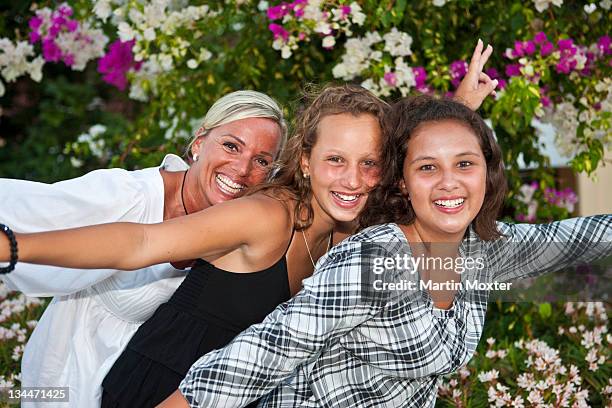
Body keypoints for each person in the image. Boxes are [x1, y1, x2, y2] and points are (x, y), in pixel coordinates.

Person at [0, 42, 497, 408]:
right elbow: (140, 241)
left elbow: (427, 175)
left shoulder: (350, 221)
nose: (353, 178)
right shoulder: (267, 216)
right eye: (335, 160)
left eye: (369, 163)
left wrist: (457, 109)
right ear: (305, 161)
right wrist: (13, 247)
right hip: (158, 390)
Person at [158, 96, 611, 408]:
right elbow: (263, 353)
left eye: (465, 165)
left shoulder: (482, 252)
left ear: (487, 174)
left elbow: (574, 238)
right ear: (402, 182)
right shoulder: (374, 260)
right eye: (427, 168)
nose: (449, 182)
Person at [0, 90, 287, 408]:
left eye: (262, 160)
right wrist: (10, 246)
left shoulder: (243, 232)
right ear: (199, 143)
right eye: (231, 146)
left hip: (139, 391)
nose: (243, 168)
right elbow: (30, 207)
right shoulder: (129, 196)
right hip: (62, 380)